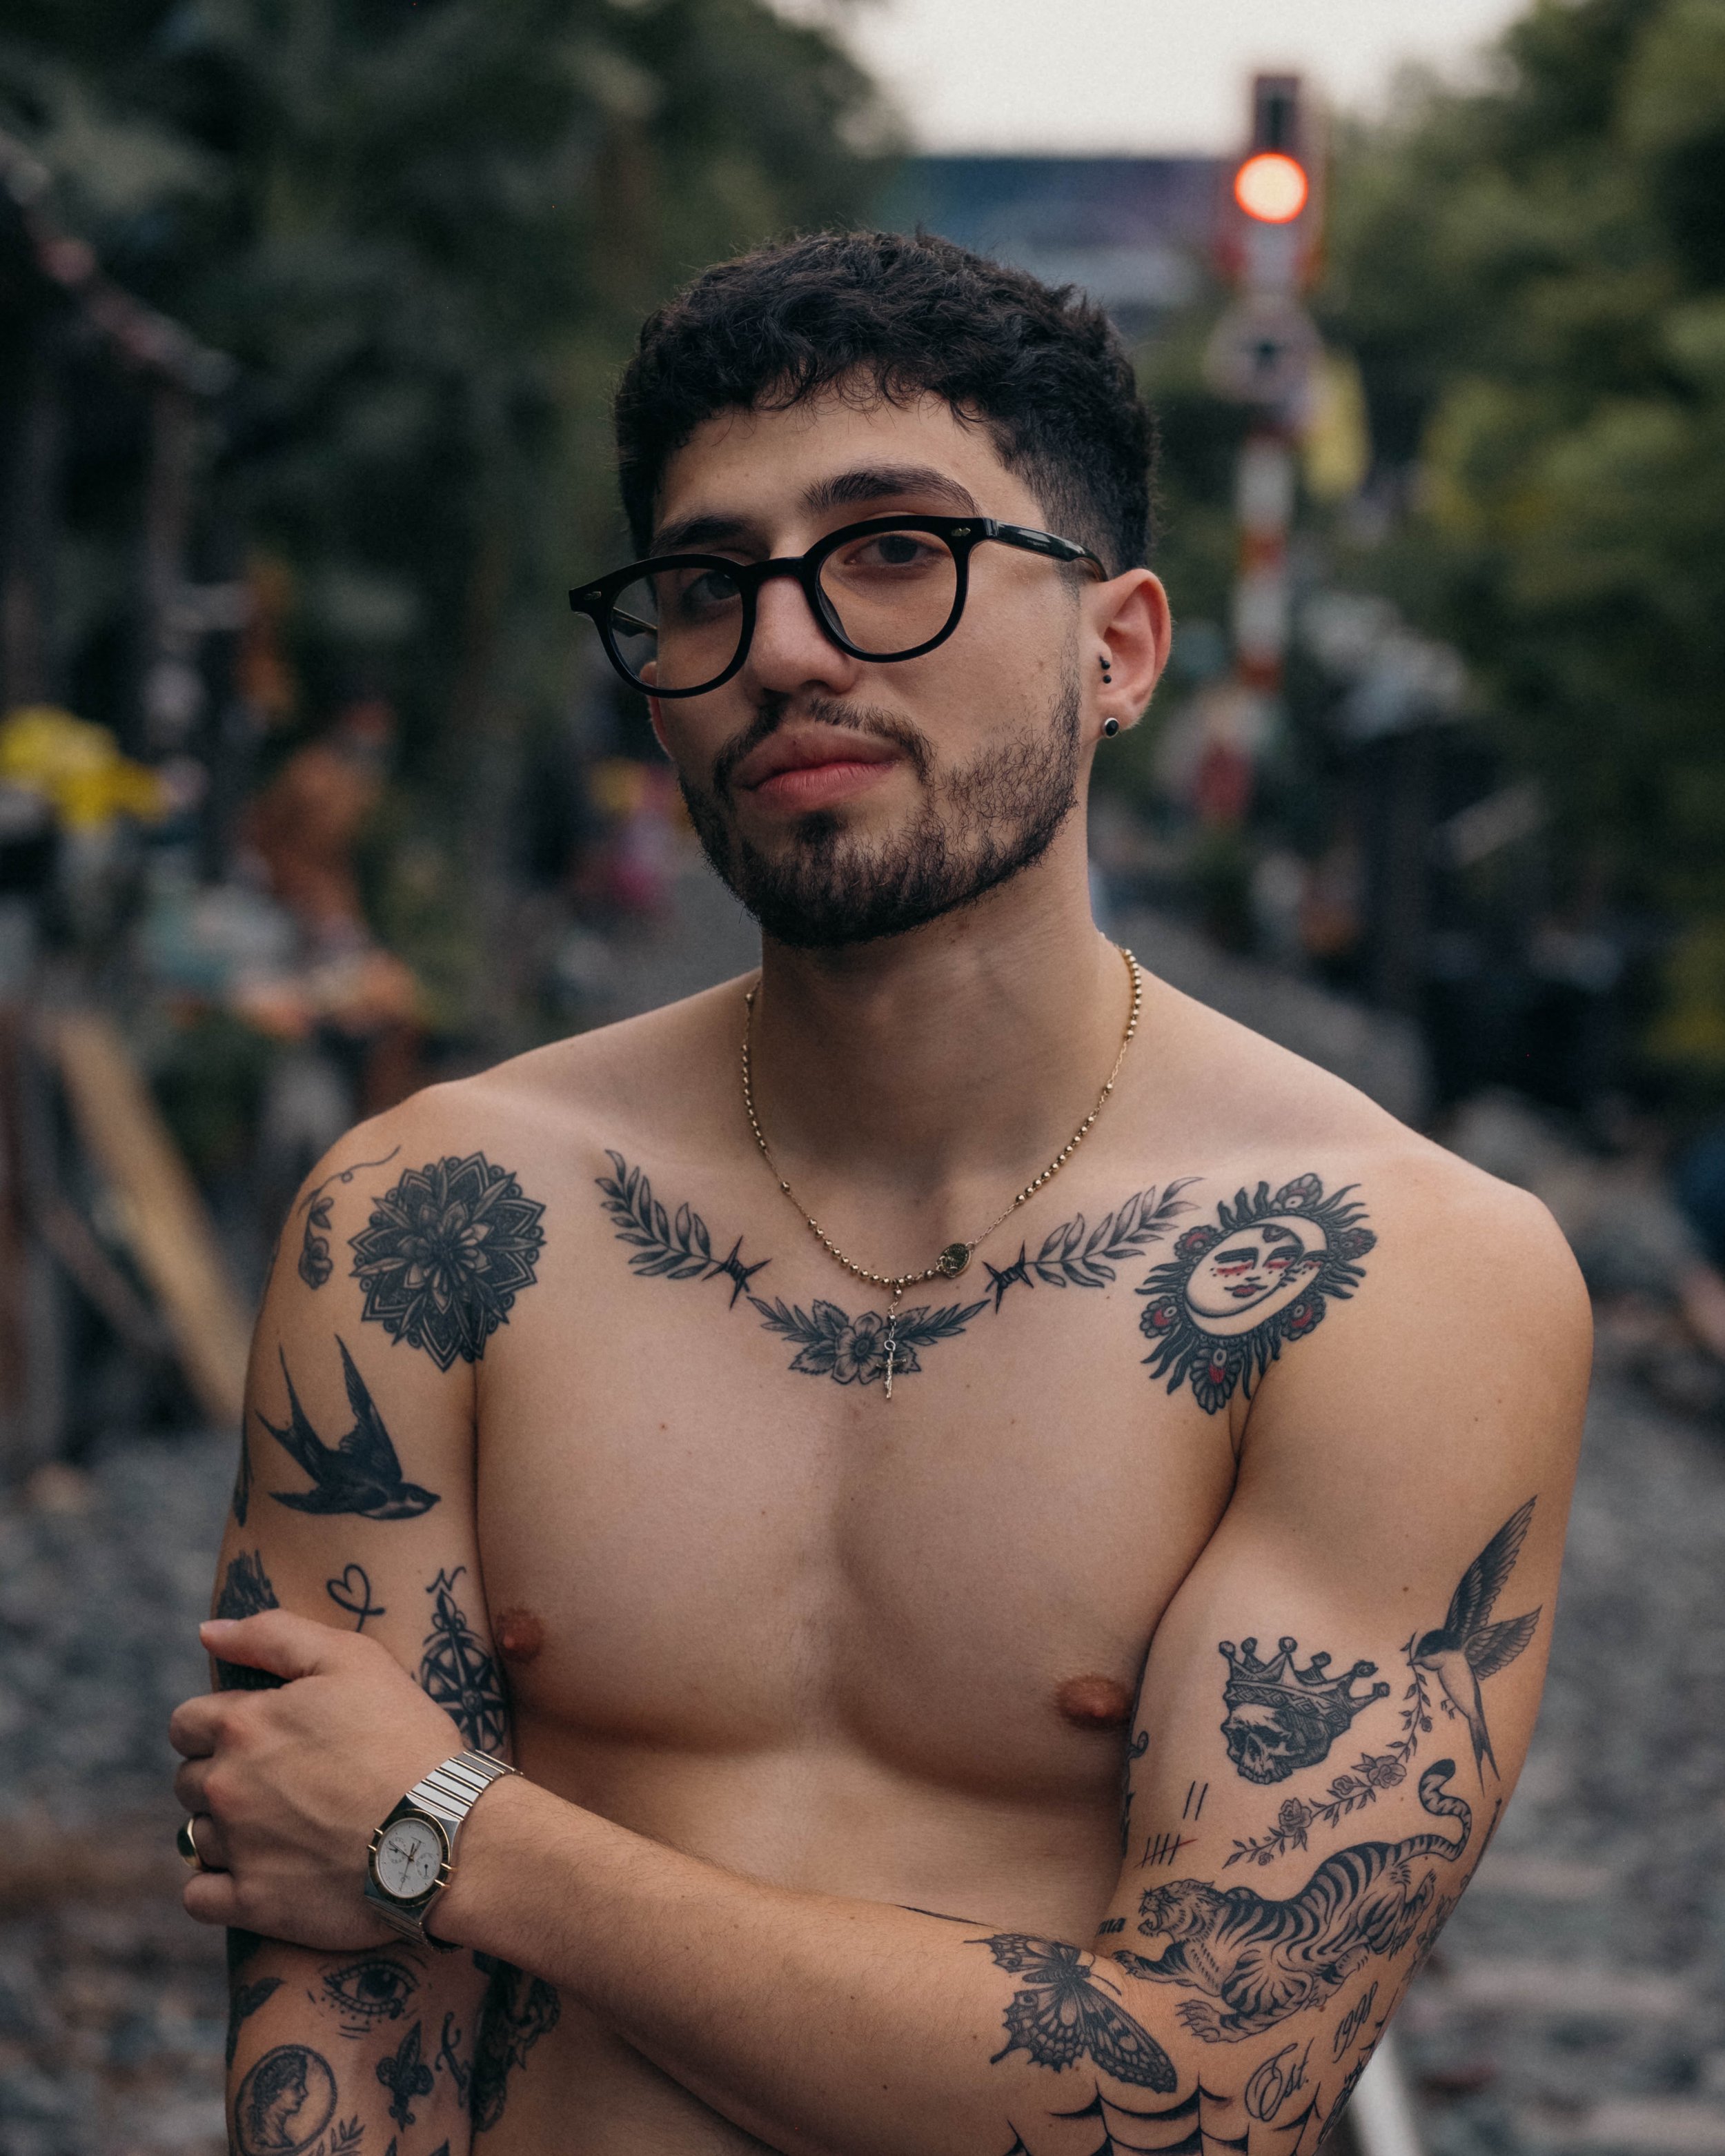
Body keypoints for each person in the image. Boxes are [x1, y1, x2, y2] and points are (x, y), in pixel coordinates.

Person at [169, 232, 1589, 2156]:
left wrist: (457, 1837)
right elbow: (336, 1992)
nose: (783, 645)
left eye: (893, 551)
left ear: (1120, 647)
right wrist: (395, 1868)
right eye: (702, 584)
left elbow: (1192, 2097)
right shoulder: (436, 1218)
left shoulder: (1397, 1271)